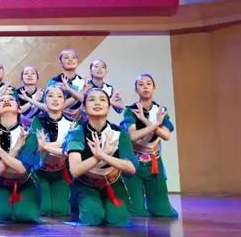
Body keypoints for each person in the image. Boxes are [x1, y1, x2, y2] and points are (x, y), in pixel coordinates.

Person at [64, 88, 138, 227]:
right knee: (93, 218)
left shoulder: (120, 133)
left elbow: (131, 168)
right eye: (92, 100)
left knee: (119, 220)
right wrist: (97, 157)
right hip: (86, 184)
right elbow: (75, 170)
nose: (97, 103)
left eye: (102, 100)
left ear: (109, 107)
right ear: (84, 107)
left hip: (113, 182)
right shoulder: (77, 133)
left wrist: (104, 155)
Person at [122, 74, 178, 218]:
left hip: (154, 163)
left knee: (164, 212)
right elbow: (133, 136)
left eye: (148, 84)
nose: (145, 87)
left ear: (154, 88)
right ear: (136, 89)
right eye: (141, 84)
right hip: (135, 163)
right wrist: (155, 125)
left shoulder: (160, 111)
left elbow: (166, 136)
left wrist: (147, 121)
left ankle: (153, 202)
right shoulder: (131, 110)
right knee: (136, 212)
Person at [0, 94, 40, 223]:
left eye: (11, 100)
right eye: (2, 100)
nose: (6, 101)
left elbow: (22, 169)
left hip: (25, 183)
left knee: (26, 218)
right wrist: (16, 148)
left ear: (19, 109)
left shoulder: (29, 135)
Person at [25, 85, 74, 216]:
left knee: (61, 210)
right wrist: (61, 143)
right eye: (51, 96)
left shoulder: (72, 123)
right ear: (45, 100)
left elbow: (70, 148)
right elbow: (37, 147)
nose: (55, 99)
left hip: (61, 171)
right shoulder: (37, 121)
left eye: (59, 96)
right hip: (40, 171)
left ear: (64, 101)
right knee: (44, 209)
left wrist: (47, 146)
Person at [47, 49, 86, 119]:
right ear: (60, 63)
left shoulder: (83, 82)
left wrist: (79, 111)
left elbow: (87, 102)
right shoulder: (53, 82)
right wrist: (80, 94)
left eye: (73, 57)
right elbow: (54, 107)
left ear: (77, 61)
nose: (70, 60)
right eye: (66, 58)